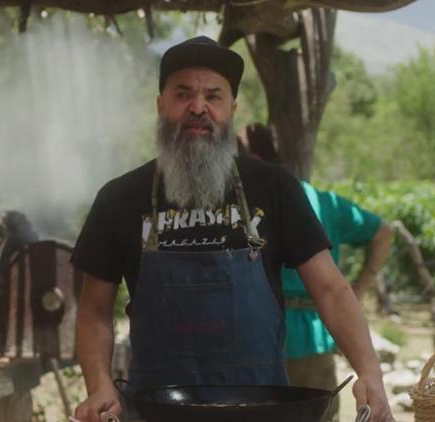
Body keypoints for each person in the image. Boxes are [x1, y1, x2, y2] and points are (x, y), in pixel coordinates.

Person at [70, 36, 393, 422]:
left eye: (213, 96)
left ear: (232, 109)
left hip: (264, 411)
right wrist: (99, 385)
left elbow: (330, 289)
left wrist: (369, 371)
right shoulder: (120, 197)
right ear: (161, 106)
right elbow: (93, 312)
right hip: (155, 411)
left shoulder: (274, 188)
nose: (198, 107)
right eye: (183, 94)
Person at [240, 123, 392, 421]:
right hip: (313, 338)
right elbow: (383, 232)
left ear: (252, 158)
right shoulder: (320, 200)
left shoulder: (245, 205)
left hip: (261, 338)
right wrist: (361, 286)